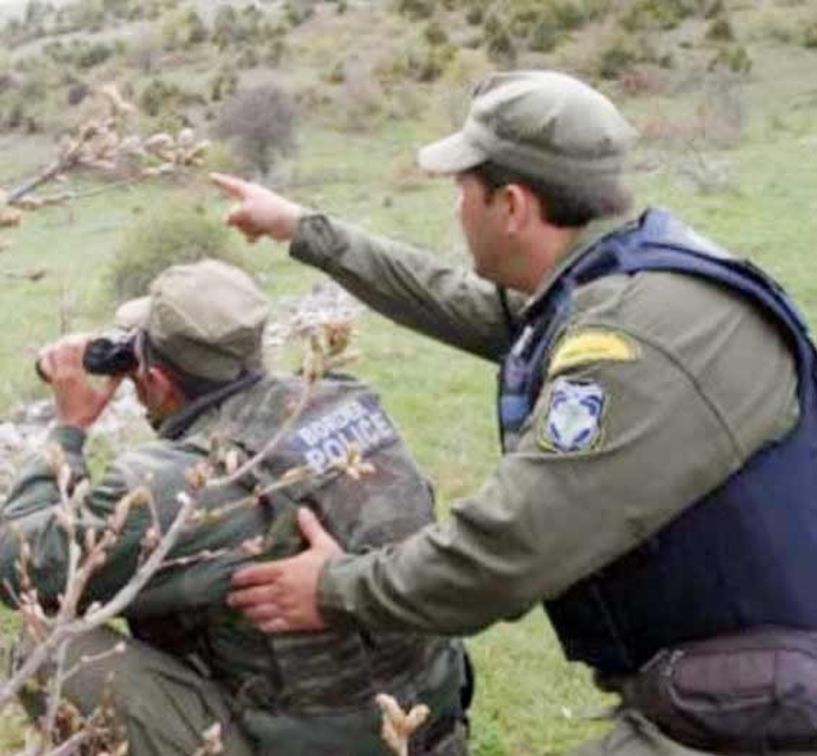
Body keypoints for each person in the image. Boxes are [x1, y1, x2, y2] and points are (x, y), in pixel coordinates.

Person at [212, 69, 817, 755]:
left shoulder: (632, 343)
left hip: (760, 717)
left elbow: (505, 551)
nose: (453, 210)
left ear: (510, 205)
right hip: (736, 683)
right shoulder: (623, 273)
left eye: (460, 192)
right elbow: (459, 301)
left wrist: (335, 587)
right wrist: (304, 230)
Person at [0, 259, 470, 756]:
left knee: (48, 651)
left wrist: (68, 429)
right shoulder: (348, 399)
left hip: (310, 743)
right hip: (425, 721)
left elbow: (19, 566)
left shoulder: (179, 483)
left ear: (155, 382)